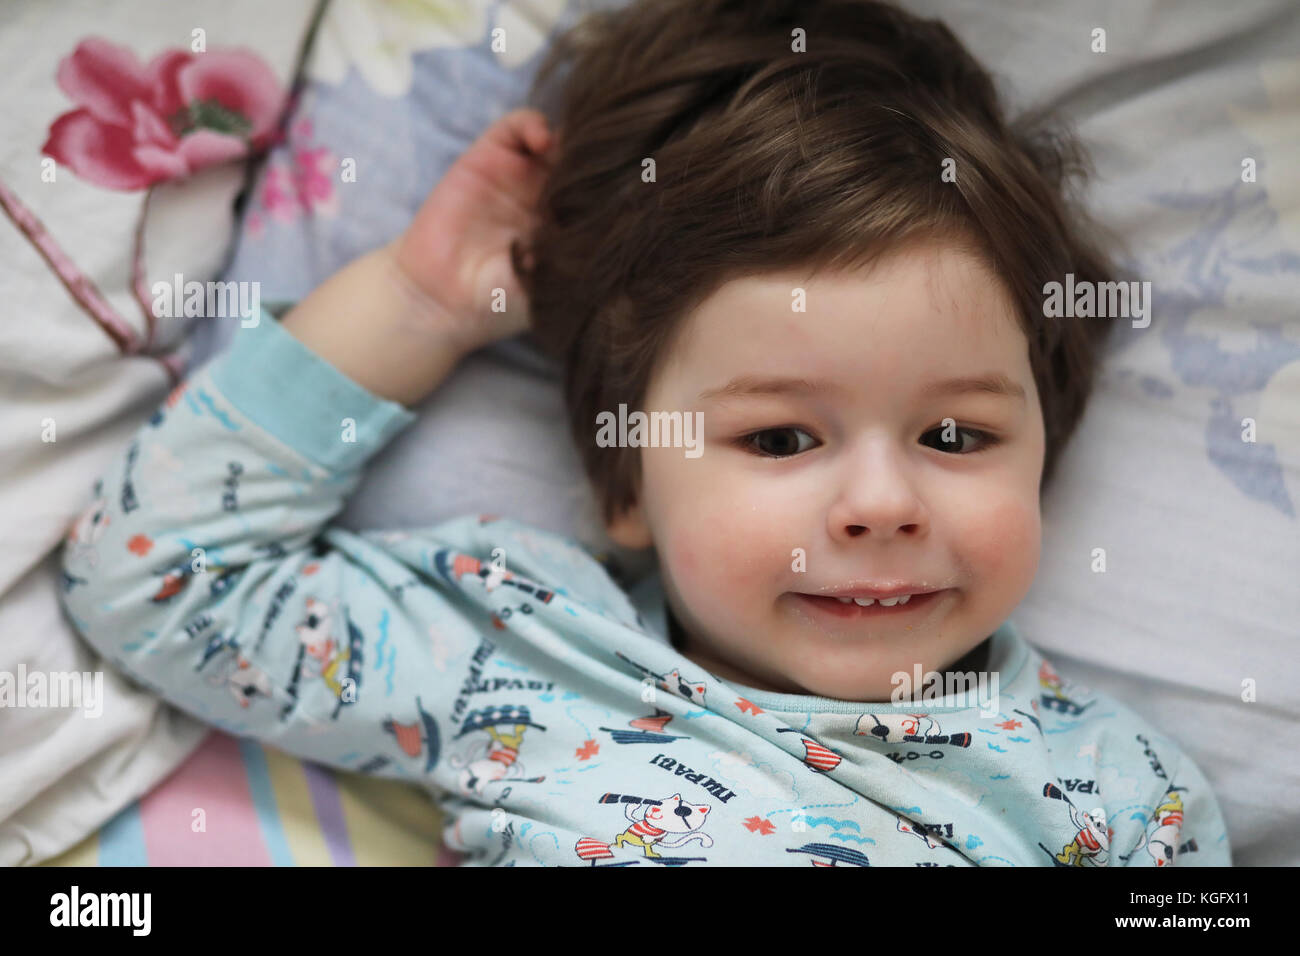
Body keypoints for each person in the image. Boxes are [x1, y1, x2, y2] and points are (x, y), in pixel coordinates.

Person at [59, 0, 1229, 866]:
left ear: (1044, 449)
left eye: (955, 436)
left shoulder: (1126, 797)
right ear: (626, 479)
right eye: (778, 439)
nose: (883, 503)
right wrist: (416, 308)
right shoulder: (520, 653)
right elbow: (158, 579)